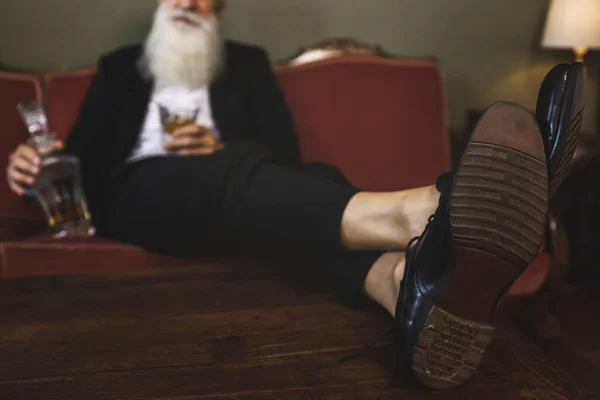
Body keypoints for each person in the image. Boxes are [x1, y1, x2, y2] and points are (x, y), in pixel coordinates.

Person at [5, 0, 585, 390]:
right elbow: (76, 161)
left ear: (220, 9)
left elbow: (282, 157)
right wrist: (34, 163)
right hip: (140, 198)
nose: (189, 0)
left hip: (237, 198)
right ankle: (430, 210)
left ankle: (399, 282)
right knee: (240, 179)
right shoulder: (119, 69)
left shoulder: (248, 65)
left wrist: (217, 144)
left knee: (305, 180)